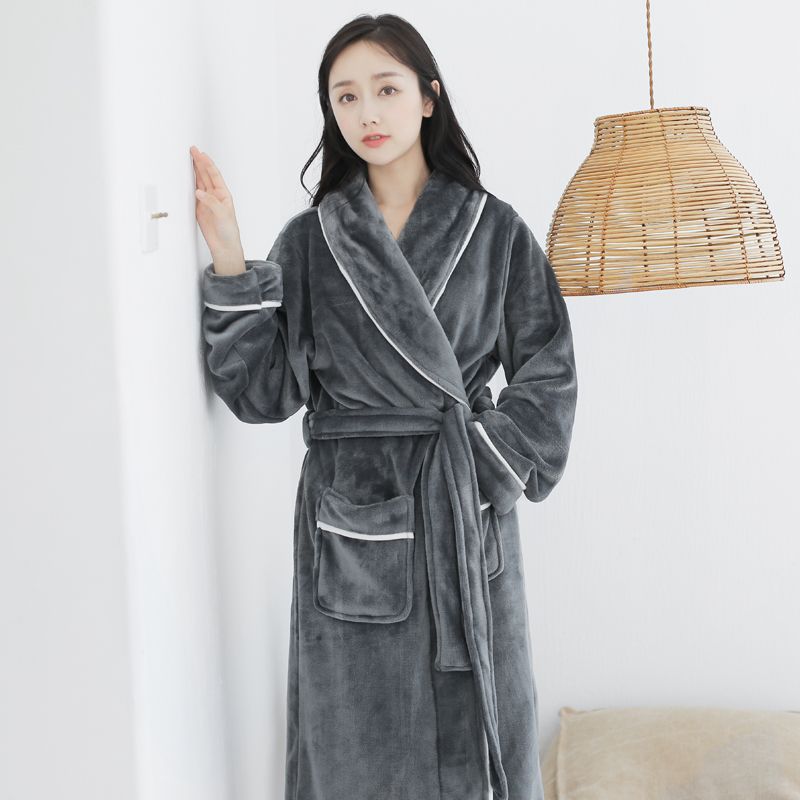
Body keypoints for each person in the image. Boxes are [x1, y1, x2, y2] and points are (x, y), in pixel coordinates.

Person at [192, 13, 578, 800]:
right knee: (353, 747)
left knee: (479, 743)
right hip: (351, 528)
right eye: (345, 96)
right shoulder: (312, 241)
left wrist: (483, 471)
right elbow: (264, 391)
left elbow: (551, 373)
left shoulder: (494, 230)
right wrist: (230, 254)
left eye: (386, 90)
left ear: (428, 99)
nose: (366, 112)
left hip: (462, 511)